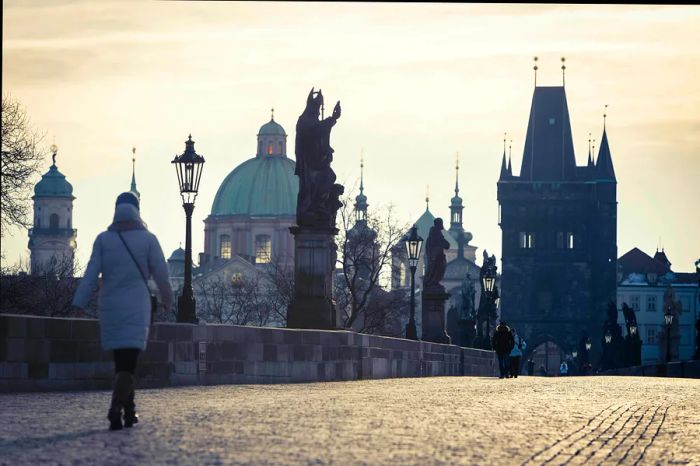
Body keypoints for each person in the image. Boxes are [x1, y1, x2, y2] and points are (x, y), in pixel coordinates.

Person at [72, 192, 172, 430]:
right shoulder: (148, 239)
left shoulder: (103, 240)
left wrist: (78, 303)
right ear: (137, 210)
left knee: (121, 361)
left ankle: (129, 411)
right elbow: (162, 275)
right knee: (129, 362)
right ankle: (116, 408)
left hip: (110, 306)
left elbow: (90, 275)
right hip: (137, 306)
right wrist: (167, 300)